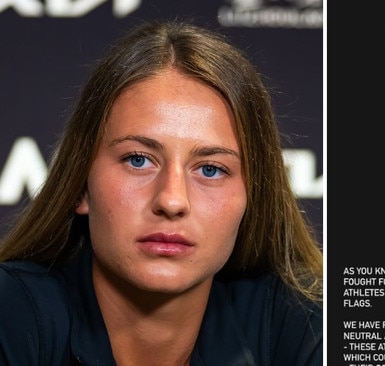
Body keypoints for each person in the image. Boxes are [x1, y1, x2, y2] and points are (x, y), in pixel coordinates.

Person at [0, 19, 323, 365]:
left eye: (210, 169)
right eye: (138, 160)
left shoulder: (305, 321)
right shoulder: (10, 312)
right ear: (80, 185)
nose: (171, 200)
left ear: (251, 198)